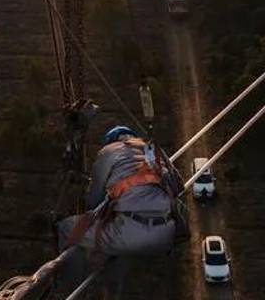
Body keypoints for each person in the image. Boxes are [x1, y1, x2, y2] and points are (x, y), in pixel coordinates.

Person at [55, 125, 183, 294]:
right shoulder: (154, 150)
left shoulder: (108, 152)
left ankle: (70, 289)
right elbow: (178, 186)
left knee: (66, 228)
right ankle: (117, 283)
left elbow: (94, 200)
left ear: (111, 141)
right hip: (166, 234)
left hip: (131, 234)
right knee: (118, 238)